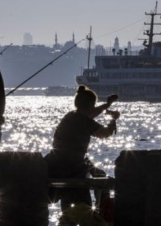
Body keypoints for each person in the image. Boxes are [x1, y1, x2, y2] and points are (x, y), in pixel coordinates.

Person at [45, 85, 119, 213]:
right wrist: (113, 120)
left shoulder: (70, 116)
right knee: (101, 178)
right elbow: (105, 133)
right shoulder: (85, 121)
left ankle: (68, 216)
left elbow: (92, 113)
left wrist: (106, 105)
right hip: (72, 166)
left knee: (92, 169)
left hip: (54, 163)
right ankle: (99, 213)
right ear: (90, 104)